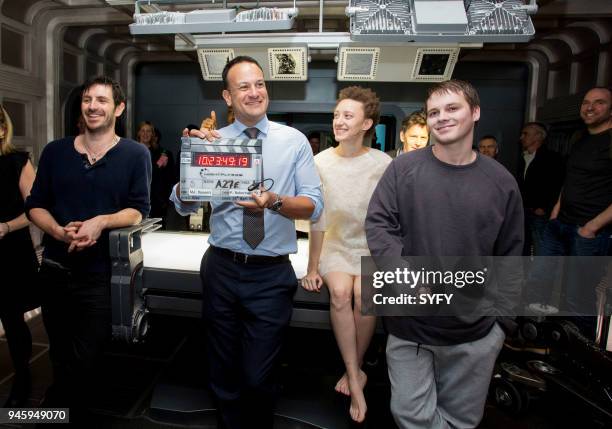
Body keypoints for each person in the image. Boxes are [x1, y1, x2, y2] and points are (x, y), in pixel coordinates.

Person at [170, 56, 323, 429]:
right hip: (222, 267)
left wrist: (273, 201)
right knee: (222, 369)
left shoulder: (294, 141)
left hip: (270, 274)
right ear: (227, 96)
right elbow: (184, 201)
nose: (255, 92)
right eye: (244, 87)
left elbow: (314, 206)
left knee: (258, 375)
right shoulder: (213, 142)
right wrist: (190, 169)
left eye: (259, 84)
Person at [366, 79, 523, 428]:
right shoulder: (402, 170)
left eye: (452, 108)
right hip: (411, 326)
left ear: (476, 112)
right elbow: (378, 226)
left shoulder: (501, 182)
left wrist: (502, 325)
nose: (441, 118)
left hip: (476, 331)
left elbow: (511, 254)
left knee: (462, 420)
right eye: (434, 112)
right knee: (408, 412)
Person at [25, 76, 151, 413]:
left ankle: (56, 415)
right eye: (87, 99)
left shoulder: (135, 154)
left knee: (87, 359)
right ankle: (61, 415)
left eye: (102, 100)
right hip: (54, 271)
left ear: (119, 108)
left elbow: (138, 210)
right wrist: (56, 231)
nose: (92, 106)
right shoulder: (56, 151)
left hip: (100, 276)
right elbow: (35, 204)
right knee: (60, 356)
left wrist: (101, 221)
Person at [302, 86, 391, 423]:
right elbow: (318, 218)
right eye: (337, 114)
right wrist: (313, 266)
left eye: (347, 116)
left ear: (366, 123)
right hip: (336, 245)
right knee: (340, 292)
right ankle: (356, 377)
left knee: (364, 293)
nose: (338, 121)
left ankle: (354, 367)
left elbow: (388, 217)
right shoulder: (320, 162)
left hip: (371, 246)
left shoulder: (384, 164)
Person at [529, 87, 612, 331]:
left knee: (578, 295)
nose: (590, 107)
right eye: (586, 102)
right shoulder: (580, 138)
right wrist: (556, 211)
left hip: (589, 233)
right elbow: (570, 180)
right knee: (539, 282)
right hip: (559, 224)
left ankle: (578, 356)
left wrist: (592, 227)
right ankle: (541, 339)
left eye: (599, 103)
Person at [0, 105, 37, 407]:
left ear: (2, 130)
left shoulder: (17, 162)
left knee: (11, 318)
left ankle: (23, 379)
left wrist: (6, 226)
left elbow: (37, 210)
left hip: (10, 252)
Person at [516, 122, 564, 256]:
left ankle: (540, 277)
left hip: (540, 214)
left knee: (541, 249)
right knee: (523, 246)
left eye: (525, 134)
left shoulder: (552, 159)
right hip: (524, 211)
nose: (521, 137)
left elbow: (557, 185)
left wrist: (544, 208)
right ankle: (525, 275)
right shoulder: (523, 158)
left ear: (538, 136)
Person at [136, 120, 175, 227]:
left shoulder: (163, 153)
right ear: (138, 133)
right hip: (136, 199)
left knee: (158, 230)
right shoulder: (131, 151)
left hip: (157, 200)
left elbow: (169, 177)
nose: (145, 134)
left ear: (153, 134)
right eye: (142, 131)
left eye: (148, 131)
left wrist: (164, 166)